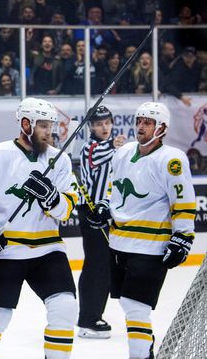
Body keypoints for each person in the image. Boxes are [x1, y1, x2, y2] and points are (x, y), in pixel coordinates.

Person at [0, 97, 79, 359]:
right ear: (26, 124)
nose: (48, 131)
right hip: (6, 248)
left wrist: (51, 197)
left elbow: (66, 210)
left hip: (47, 247)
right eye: (42, 125)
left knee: (65, 307)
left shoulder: (59, 160)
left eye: (50, 125)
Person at [91, 102, 196, 359]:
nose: (141, 126)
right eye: (139, 120)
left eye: (147, 122)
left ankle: (140, 355)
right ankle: (145, 347)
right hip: (118, 244)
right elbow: (114, 188)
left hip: (150, 247)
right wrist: (105, 206)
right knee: (128, 304)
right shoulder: (124, 152)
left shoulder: (172, 159)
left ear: (161, 127)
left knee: (137, 308)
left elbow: (182, 201)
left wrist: (183, 236)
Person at [76, 106, 126, 339]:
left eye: (107, 122)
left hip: (108, 212)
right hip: (92, 211)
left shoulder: (114, 149)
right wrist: (116, 144)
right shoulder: (90, 148)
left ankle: (94, 314)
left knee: (104, 265)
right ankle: (88, 319)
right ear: (91, 127)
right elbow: (98, 156)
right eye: (98, 124)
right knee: (96, 265)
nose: (104, 127)